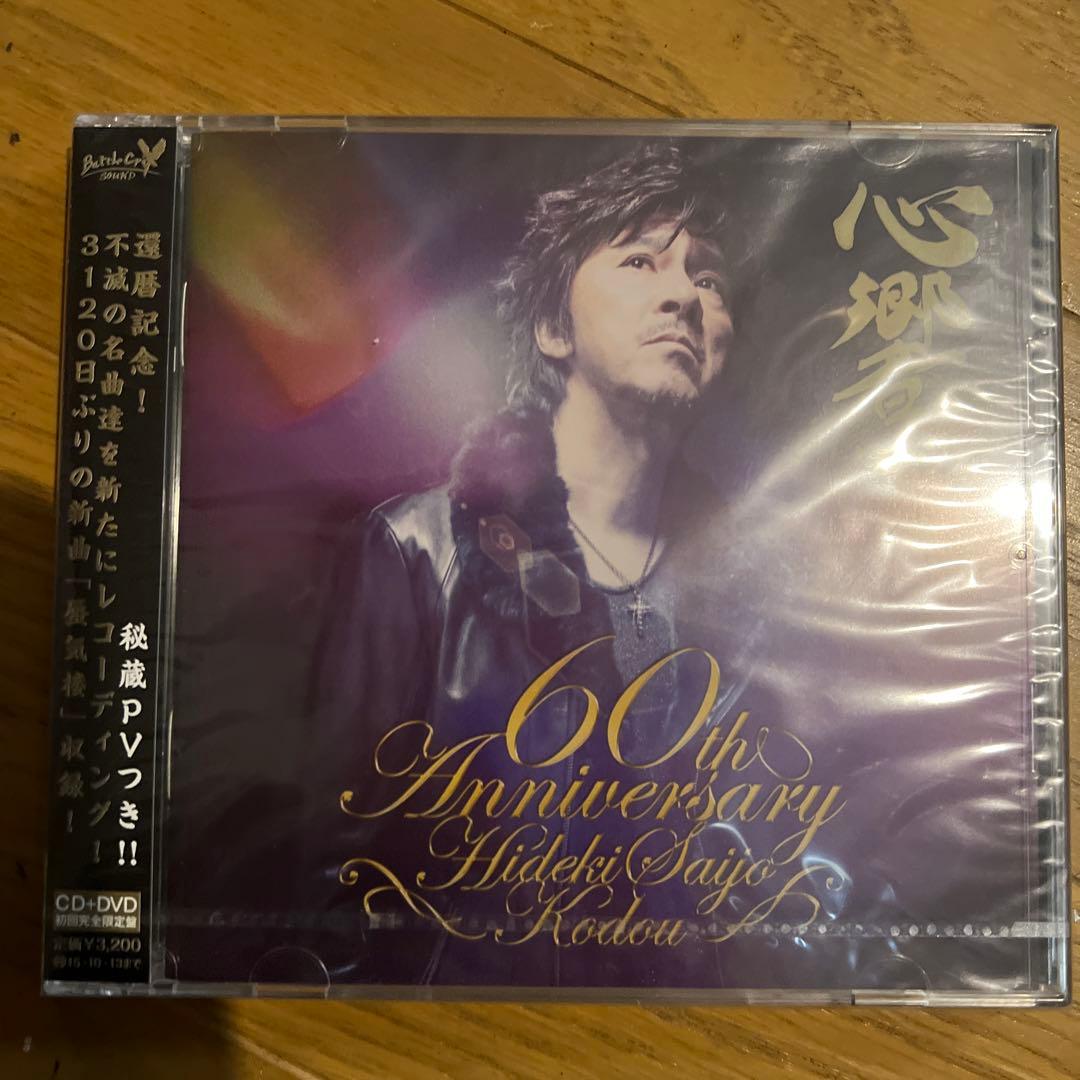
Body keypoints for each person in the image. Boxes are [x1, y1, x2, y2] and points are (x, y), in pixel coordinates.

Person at [315, 142, 757, 988]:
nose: (683, 296)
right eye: (640, 261)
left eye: (709, 279)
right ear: (554, 328)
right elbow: (328, 871)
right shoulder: (420, 548)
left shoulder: (760, 589)